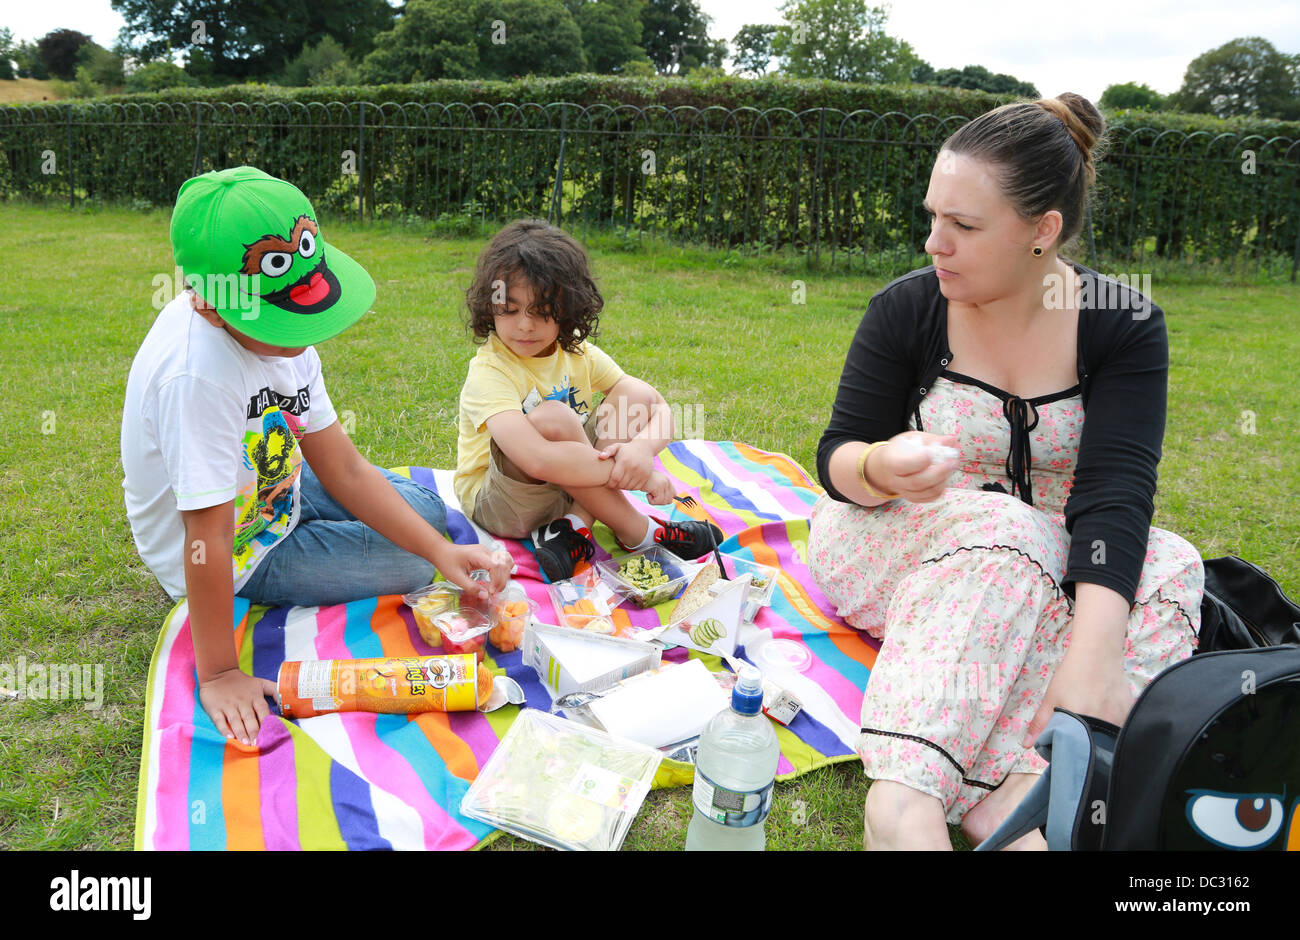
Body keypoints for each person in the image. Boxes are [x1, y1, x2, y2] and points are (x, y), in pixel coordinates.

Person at [808, 94, 1205, 850]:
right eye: (933, 217)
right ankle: (906, 800)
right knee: (1003, 527)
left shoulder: (1122, 322)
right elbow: (837, 459)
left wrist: (1091, 663)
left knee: (1172, 567)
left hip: (1050, 555)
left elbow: (1116, 491)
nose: (934, 243)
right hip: (902, 544)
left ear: (1042, 231)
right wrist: (882, 466)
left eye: (963, 226)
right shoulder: (906, 311)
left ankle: (1012, 789)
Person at [121, 166, 509, 747]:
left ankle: (400, 538)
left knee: (429, 524)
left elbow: (344, 467)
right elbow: (205, 536)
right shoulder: (195, 376)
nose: (301, 336)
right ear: (208, 305)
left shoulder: (283, 346)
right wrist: (221, 673)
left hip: (276, 485)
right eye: (282, 320)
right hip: (234, 549)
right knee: (407, 568)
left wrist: (442, 549)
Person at [453, 219, 722, 582]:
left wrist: (641, 453)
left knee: (635, 394)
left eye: (540, 311)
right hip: (504, 502)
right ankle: (640, 532)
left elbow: (656, 406)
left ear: (567, 309)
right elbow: (536, 458)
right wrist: (635, 478)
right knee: (555, 419)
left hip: (565, 486)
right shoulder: (490, 369)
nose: (525, 326)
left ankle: (573, 528)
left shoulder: (576, 352)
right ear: (490, 306)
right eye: (511, 309)